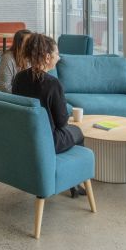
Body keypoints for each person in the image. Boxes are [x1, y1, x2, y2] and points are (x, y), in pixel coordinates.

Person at [12, 34, 85, 197]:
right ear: (47, 57)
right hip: (47, 142)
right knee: (78, 132)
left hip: (24, 138)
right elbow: (61, 123)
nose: (58, 58)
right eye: (56, 54)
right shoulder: (53, 84)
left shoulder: (18, 78)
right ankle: (75, 183)